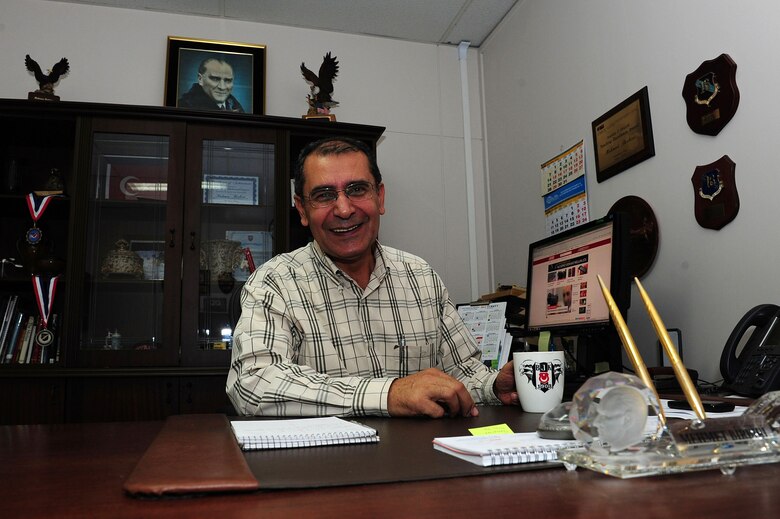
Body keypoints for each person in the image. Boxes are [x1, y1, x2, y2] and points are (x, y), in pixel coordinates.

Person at [227, 137, 518, 418]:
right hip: (324, 466)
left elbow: (462, 373)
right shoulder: (273, 283)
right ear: (302, 209)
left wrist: (493, 386)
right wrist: (389, 394)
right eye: (324, 195)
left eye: (357, 190)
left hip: (422, 461)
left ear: (379, 197)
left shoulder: (422, 278)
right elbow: (254, 384)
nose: (343, 209)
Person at [178, 57, 244, 112]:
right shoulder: (184, 106)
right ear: (200, 79)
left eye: (228, 80)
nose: (222, 87)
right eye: (215, 79)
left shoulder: (234, 105)